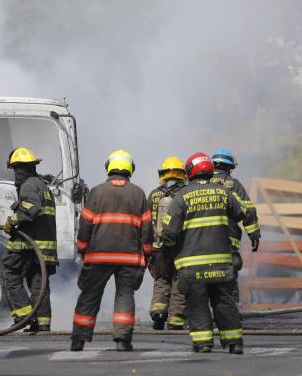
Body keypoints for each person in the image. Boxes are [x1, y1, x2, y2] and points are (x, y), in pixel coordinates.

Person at [158, 152, 249, 354]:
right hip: (222, 263)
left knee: (197, 304)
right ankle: (234, 342)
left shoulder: (181, 196)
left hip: (192, 266)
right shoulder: (223, 192)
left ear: (190, 171)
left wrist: (167, 248)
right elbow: (242, 212)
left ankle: (203, 343)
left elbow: (169, 233)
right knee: (224, 301)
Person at [71, 150, 152, 352]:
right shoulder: (138, 193)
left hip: (98, 256)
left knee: (89, 295)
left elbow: (85, 226)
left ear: (109, 168)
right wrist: (147, 254)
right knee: (125, 296)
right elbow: (147, 229)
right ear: (130, 169)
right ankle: (122, 339)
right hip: (129, 258)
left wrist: (82, 249)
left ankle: (78, 339)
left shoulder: (96, 193)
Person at [1, 147, 57, 333]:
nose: (16, 174)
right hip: (44, 248)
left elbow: (31, 208)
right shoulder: (42, 185)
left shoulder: (28, 185)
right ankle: (42, 324)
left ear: (20, 169)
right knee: (38, 285)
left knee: (10, 275)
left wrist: (12, 221)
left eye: (16, 169)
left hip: (28, 246)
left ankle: (23, 316)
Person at [147, 156, 187, 330]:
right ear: (183, 173)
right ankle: (176, 319)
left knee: (161, 279)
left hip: (158, 248)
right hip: (181, 247)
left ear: (162, 174)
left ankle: (158, 313)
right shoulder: (187, 193)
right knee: (178, 280)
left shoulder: (154, 194)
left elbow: (147, 221)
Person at [210, 149, 261, 274]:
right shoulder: (234, 184)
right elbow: (248, 210)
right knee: (227, 287)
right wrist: (254, 236)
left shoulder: (200, 183)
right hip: (228, 242)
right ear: (228, 167)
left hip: (199, 242)